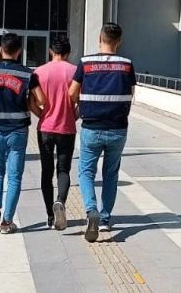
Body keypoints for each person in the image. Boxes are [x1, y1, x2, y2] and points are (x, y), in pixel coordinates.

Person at [69, 23, 136, 243]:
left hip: (91, 127)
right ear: (119, 41)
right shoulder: (127, 65)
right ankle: (105, 219)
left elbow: (72, 92)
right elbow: (131, 93)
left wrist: (80, 105)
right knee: (111, 174)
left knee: (86, 172)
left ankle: (92, 211)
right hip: (118, 128)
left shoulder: (85, 63)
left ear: (100, 39)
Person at [0, 32, 44, 234]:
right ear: (19, 51)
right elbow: (41, 99)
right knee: (14, 177)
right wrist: (28, 100)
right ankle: (7, 222)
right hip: (17, 130)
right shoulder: (27, 74)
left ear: (1, 50)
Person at [30, 35, 77, 231]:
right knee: (63, 170)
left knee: (46, 171)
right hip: (67, 128)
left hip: (45, 128)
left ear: (51, 51)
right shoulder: (75, 71)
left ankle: (50, 216)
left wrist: (42, 115)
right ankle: (60, 201)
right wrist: (73, 116)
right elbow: (82, 100)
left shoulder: (38, 72)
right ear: (68, 52)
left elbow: (32, 102)